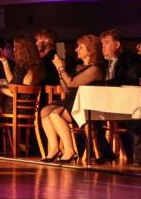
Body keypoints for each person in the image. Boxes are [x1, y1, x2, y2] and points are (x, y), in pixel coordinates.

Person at [36, 34, 103, 163]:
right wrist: (60, 71)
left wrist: (61, 68)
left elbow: (72, 83)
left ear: (90, 50)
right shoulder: (79, 67)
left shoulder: (95, 69)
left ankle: (70, 150)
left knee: (55, 114)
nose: (76, 49)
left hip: (85, 104)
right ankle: (54, 148)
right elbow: (67, 88)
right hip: (72, 100)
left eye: (80, 47)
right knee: (44, 111)